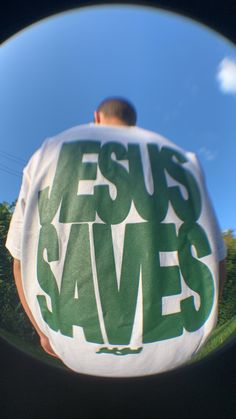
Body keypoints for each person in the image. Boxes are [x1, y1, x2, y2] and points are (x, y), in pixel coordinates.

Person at [6, 97, 226, 377]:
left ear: (96, 116)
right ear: (133, 121)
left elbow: (20, 260)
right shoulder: (183, 160)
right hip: (176, 357)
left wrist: (42, 333)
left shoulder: (49, 151)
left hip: (77, 355)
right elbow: (215, 259)